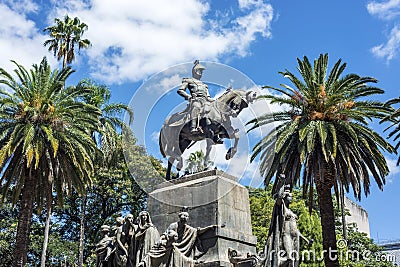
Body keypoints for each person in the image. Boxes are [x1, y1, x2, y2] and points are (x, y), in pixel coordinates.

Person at [262, 184, 310, 267]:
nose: (291, 198)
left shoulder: (292, 212)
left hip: (295, 238)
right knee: (290, 258)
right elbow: (279, 199)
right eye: (289, 196)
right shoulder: (283, 208)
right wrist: (281, 183)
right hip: (286, 236)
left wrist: (306, 240)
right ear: (285, 197)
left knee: (295, 261)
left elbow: (296, 230)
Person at [177, 60, 214, 134]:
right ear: (195, 71)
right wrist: (189, 97)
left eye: (201, 72)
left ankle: (215, 133)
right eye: (199, 71)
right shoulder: (188, 80)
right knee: (196, 106)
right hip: (196, 100)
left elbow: (208, 97)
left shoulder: (204, 85)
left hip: (205, 101)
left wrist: (214, 101)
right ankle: (193, 127)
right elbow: (180, 90)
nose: (201, 73)